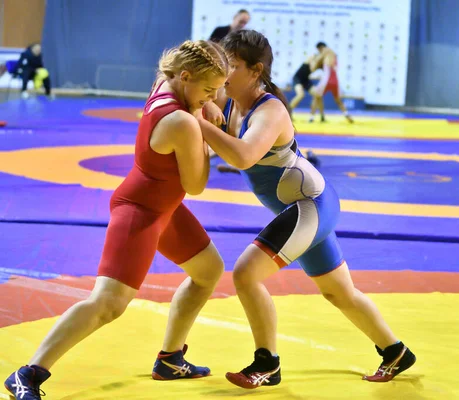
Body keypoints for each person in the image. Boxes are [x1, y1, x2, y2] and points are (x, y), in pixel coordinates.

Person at [3, 40, 229, 400]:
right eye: (209, 90)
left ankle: (170, 359)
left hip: (162, 208)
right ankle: (27, 374)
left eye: (218, 91)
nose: (213, 98)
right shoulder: (183, 121)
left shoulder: (165, 83)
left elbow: (182, 85)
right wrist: (208, 133)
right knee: (108, 304)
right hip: (139, 212)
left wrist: (203, 105)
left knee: (208, 271)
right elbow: (197, 185)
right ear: (185, 77)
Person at [197, 29, 416, 390]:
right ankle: (395, 352)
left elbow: (242, 156)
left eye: (232, 66)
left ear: (256, 70)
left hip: (310, 205)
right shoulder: (229, 98)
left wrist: (201, 122)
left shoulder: (270, 111)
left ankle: (266, 364)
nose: (224, 72)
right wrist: (205, 105)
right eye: (224, 64)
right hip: (303, 207)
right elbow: (204, 96)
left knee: (245, 274)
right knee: (339, 293)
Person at [308, 42, 354, 123]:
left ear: (321, 48)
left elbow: (315, 65)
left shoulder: (326, 50)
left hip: (327, 80)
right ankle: (346, 114)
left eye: (319, 50)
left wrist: (313, 60)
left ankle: (311, 117)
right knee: (338, 100)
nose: (319, 52)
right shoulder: (333, 55)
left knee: (316, 96)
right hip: (335, 80)